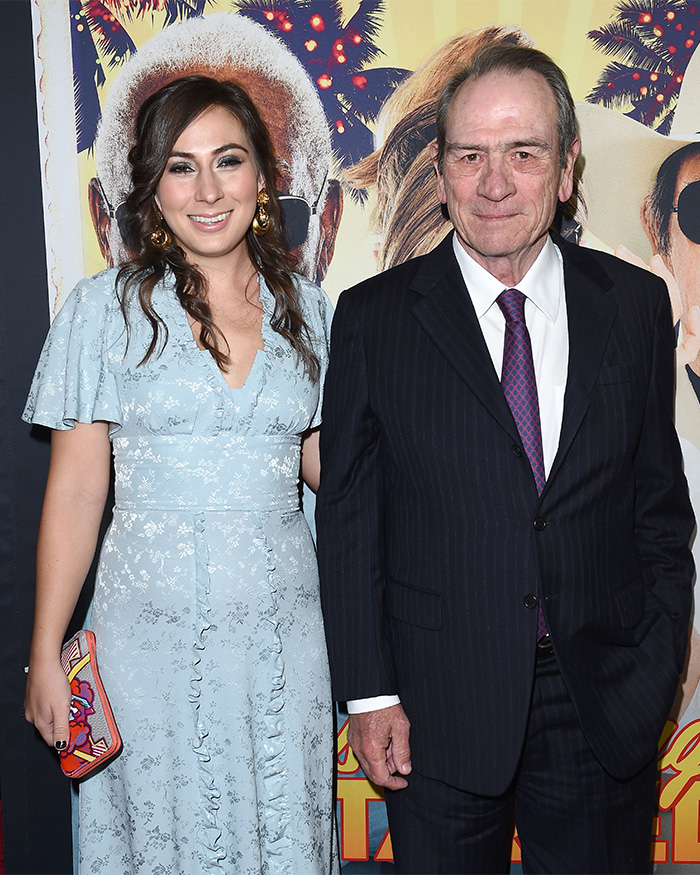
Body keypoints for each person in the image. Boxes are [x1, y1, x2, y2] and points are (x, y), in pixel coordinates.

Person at [316, 43, 694, 874]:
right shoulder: (374, 321)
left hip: (603, 704)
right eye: (471, 156)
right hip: (435, 709)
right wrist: (372, 695)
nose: (495, 182)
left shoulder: (634, 305)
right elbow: (349, 523)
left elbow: (659, 511)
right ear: (443, 173)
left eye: (523, 154)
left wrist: (653, 674)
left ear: (565, 172)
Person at [24, 75, 337, 874]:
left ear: (263, 178)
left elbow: (325, 467)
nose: (207, 190)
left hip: (282, 643)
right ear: (151, 187)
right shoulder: (103, 311)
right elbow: (76, 492)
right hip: (144, 650)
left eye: (227, 161)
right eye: (180, 165)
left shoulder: (308, 308)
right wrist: (45, 649)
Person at [87, 13, 342, 295]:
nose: (209, 194)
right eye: (180, 168)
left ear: (327, 226)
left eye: (273, 212)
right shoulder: (93, 316)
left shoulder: (319, 315)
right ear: (103, 223)